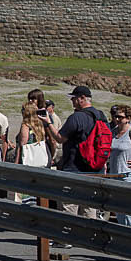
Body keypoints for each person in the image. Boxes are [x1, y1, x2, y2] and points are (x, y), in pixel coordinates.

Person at [41, 86, 109, 222]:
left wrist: (48, 123)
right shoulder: (101, 115)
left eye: (74, 98)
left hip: (74, 168)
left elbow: (60, 138)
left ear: (82, 99)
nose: (72, 101)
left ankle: (67, 238)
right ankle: (88, 237)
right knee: (89, 206)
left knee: (69, 204)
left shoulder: (76, 117)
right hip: (95, 168)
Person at [109, 104, 131, 226]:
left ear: (128, 118)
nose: (116, 119)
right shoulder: (113, 132)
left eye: (120, 117)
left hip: (128, 177)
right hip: (114, 176)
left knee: (129, 214)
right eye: (115, 116)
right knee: (119, 213)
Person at [14, 103, 49, 167]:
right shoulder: (39, 124)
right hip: (40, 158)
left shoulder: (25, 126)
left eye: (23, 109)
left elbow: (22, 145)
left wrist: (16, 163)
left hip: (28, 159)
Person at [45, 99, 62, 163]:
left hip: (55, 148)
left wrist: (52, 156)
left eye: (47, 106)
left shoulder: (54, 118)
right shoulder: (49, 117)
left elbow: (53, 139)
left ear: (52, 107)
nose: (46, 108)